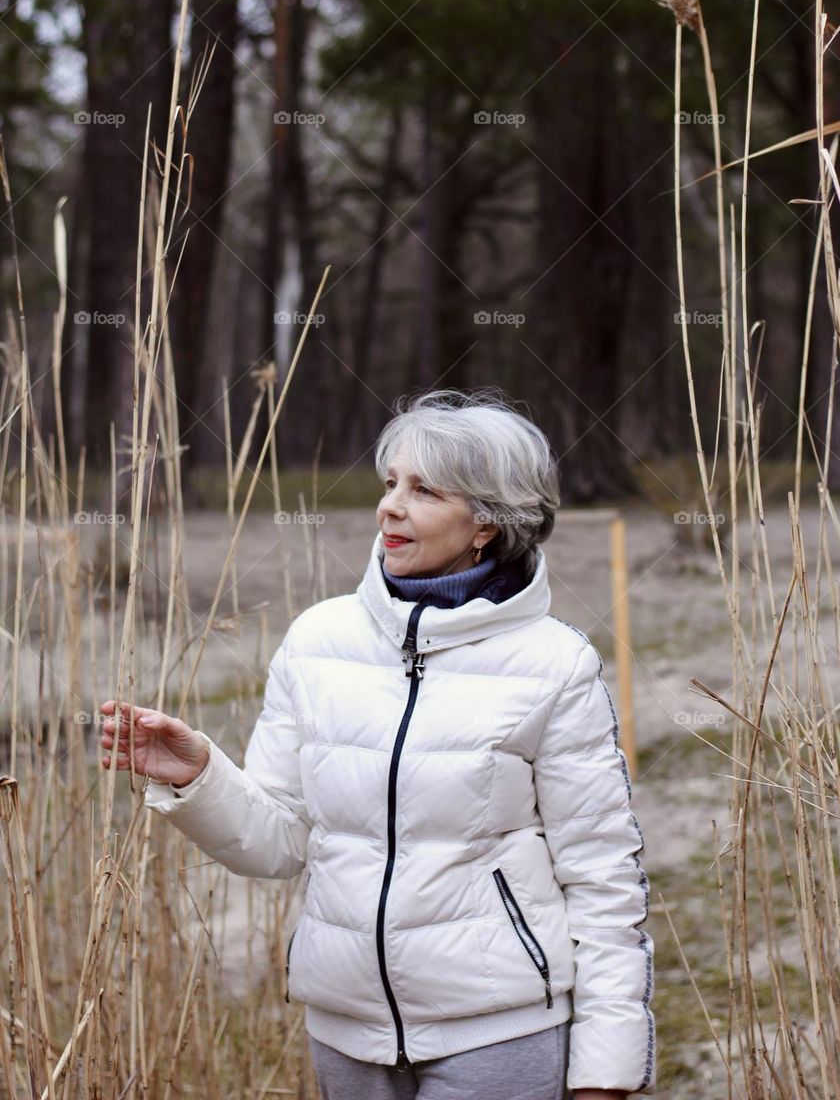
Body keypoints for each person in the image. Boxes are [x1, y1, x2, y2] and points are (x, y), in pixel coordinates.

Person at [100, 388, 656, 1099]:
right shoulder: (318, 641)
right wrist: (199, 778)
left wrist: (604, 1073)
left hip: (497, 1036)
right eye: (390, 483)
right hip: (343, 1033)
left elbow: (603, 877)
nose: (389, 505)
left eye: (423, 490)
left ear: (486, 520)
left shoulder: (553, 663)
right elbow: (276, 843)